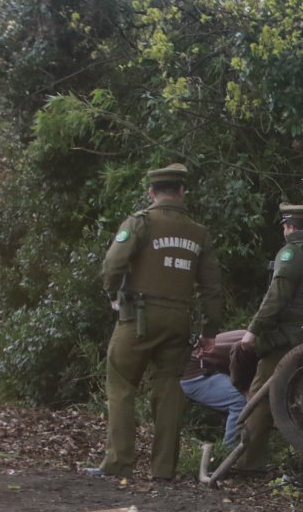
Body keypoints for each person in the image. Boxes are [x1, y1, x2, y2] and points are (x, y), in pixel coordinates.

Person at [89, 163, 222, 480]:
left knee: (121, 384)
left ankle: (119, 463)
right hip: (179, 321)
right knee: (169, 392)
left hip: (138, 317)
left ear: (151, 192)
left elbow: (113, 263)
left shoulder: (141, 223)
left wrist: (111, 293)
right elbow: (212, 287)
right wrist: (210, 332)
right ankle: (163, 470)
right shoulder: (198, 232)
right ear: (181, 192)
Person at [235, 203, 303, 473]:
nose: (284, 231)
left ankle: (247, 462)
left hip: (286, 340)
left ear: (292, 227)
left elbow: (276, 298)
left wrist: (254, 330)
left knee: (259, 398)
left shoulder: (293, 253)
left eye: (285, 226)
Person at [180, 330, 246, 448]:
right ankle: (229, 450)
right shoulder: (250, 343)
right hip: (196, 377)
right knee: (239, 399)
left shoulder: (249, 335)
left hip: (209, 368)